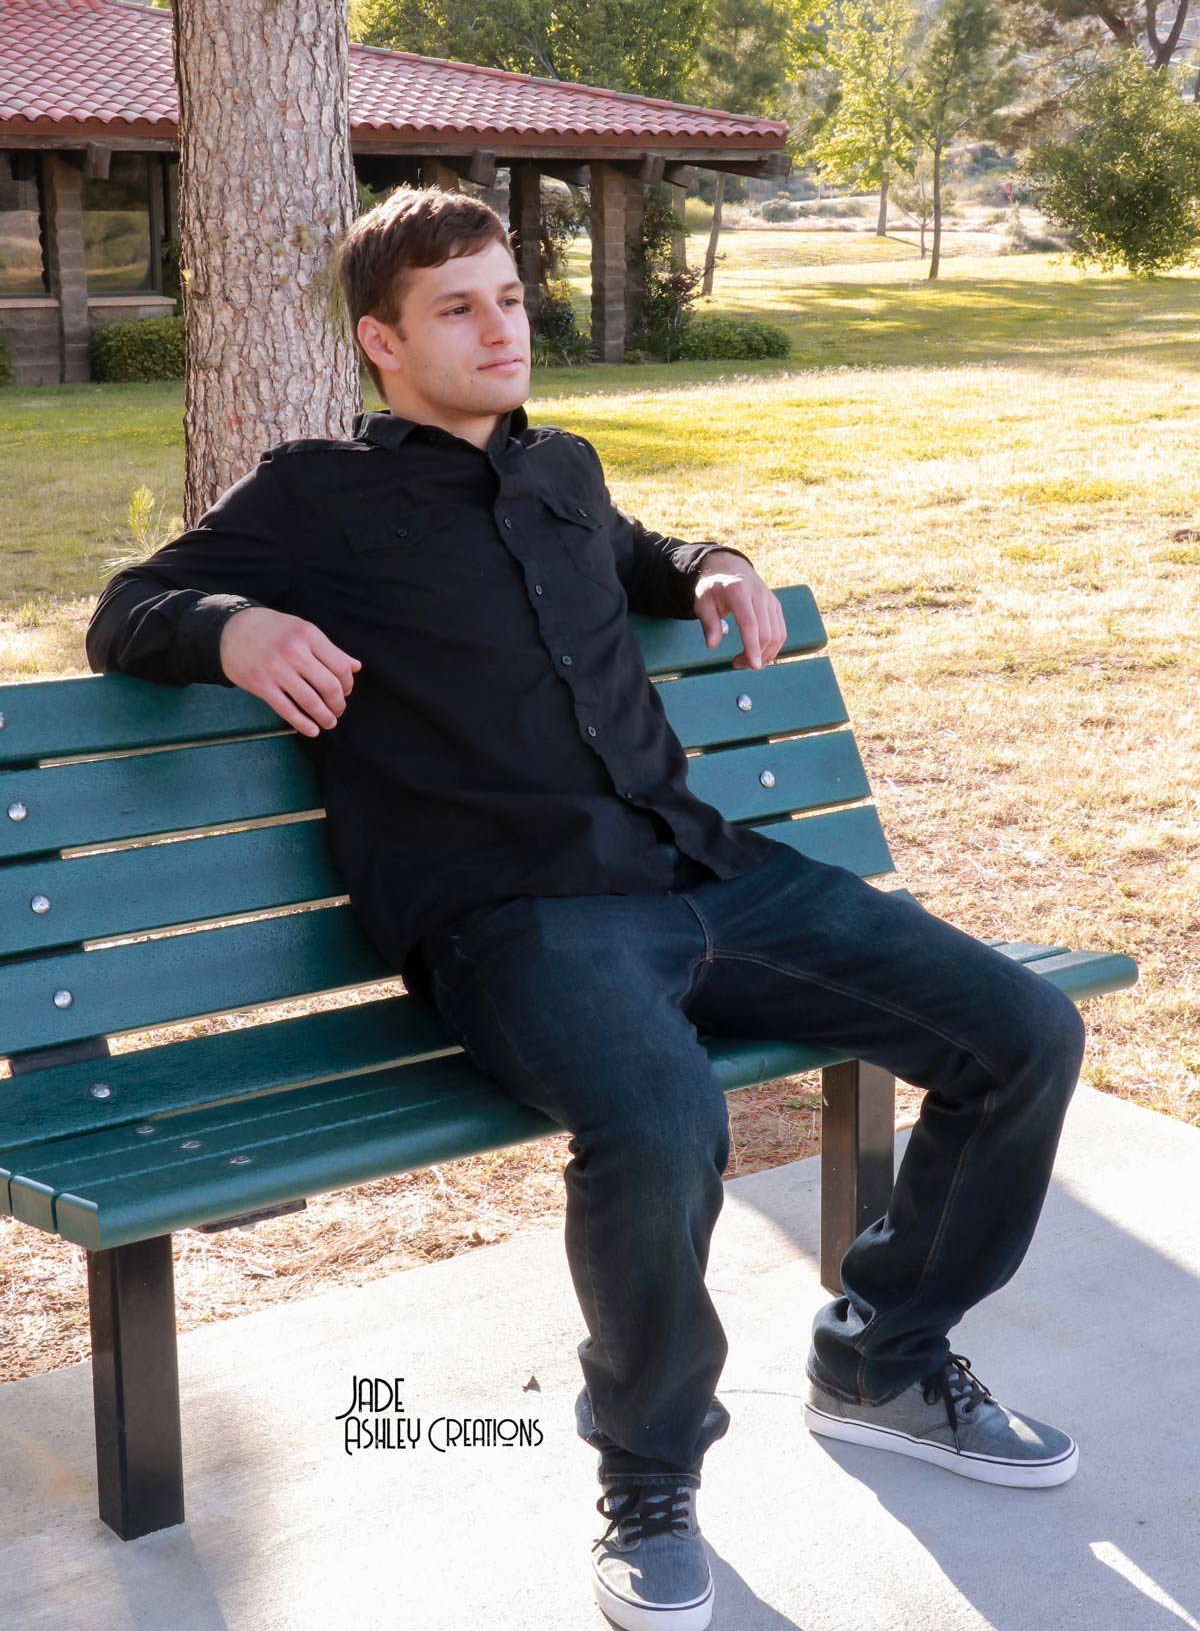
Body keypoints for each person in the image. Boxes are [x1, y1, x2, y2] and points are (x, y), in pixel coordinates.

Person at [87, 185, 1086, 1631]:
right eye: (457, 309)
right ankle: (651, 1479)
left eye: (509, 299)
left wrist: (713, 562)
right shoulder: (317, 499)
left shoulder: (561, 467)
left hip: (700, 868)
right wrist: (231, 626)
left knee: (1024, 1030)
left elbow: (634, 556)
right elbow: (127, 606)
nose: (501, 330)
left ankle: (885, 1355)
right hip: (522, 919)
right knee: (665, 1124)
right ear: (381, 341)